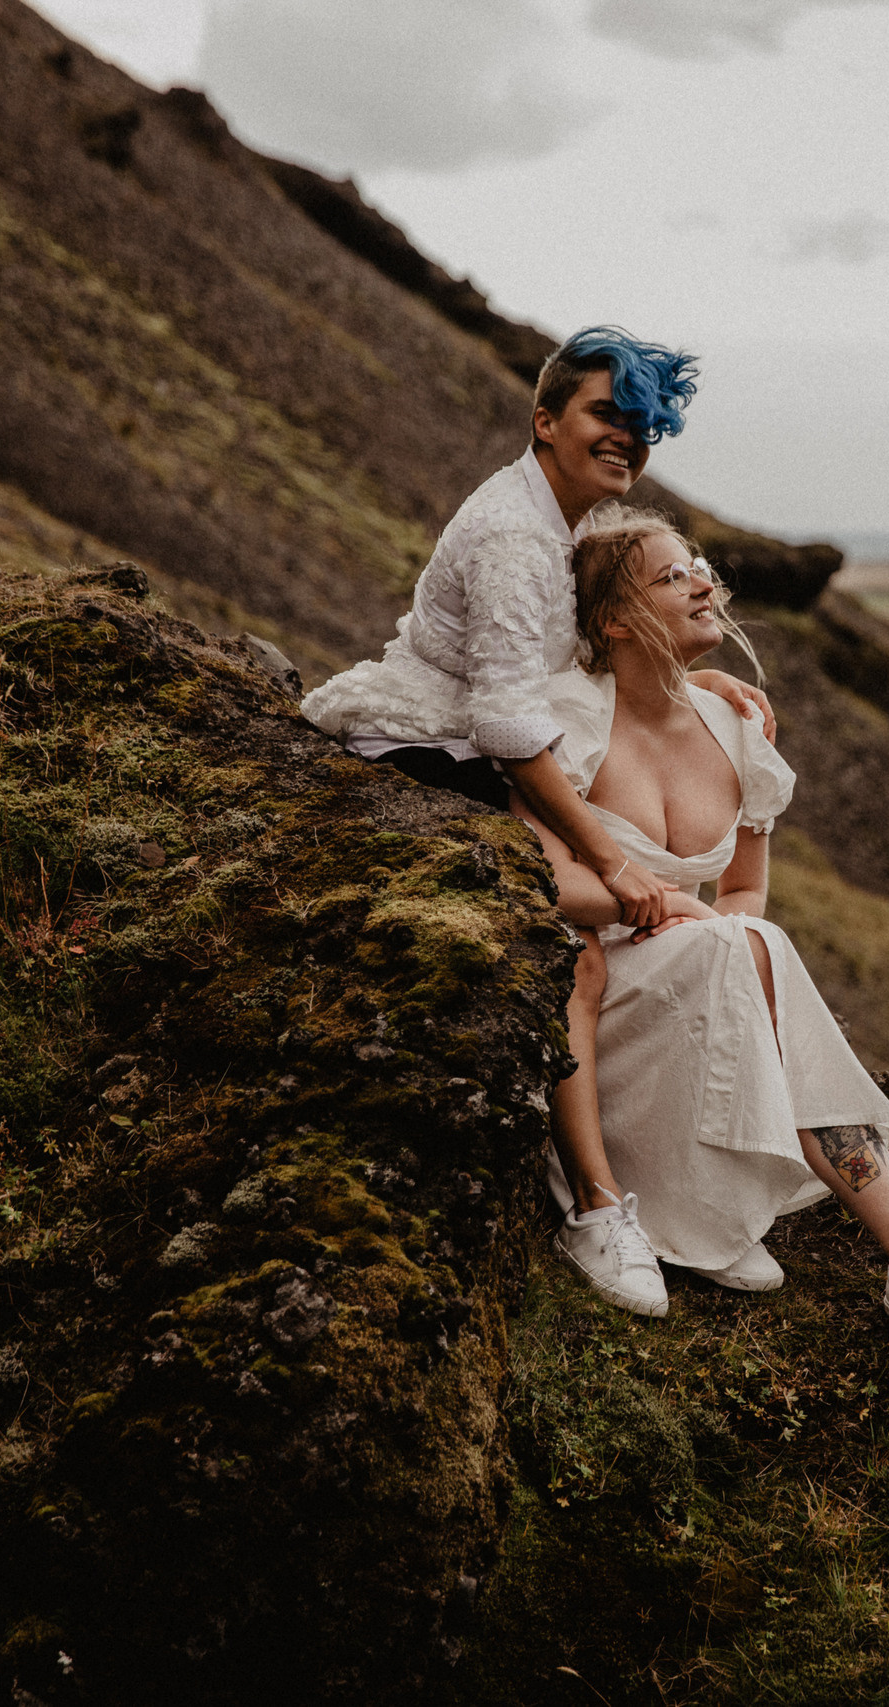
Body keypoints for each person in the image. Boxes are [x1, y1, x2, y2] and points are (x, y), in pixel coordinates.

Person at [302, 327, 775, 1233]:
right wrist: (620, 865)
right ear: (545, 421)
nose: (626, 437)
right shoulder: (515, 536)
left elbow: (587, 649)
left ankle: (666, 1156)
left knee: (622, 919)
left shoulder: (568, 518)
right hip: (426, 751)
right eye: (606, 414)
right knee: (580, 943)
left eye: (641, 424)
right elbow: (510, 730)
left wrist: (697, 681)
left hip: (483, 746)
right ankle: (595, 1202)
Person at [513, 511, 889, 1365]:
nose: (705, 583)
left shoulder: (741, 731)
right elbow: (546, 881)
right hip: (599, 1001)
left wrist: (714, 926)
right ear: (615, 620)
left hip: (702, 998)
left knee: (751, 942)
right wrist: (682, 910)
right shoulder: (565, 722)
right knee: (745, 945)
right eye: (672, 576)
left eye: (700, 566)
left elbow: (742, 892)